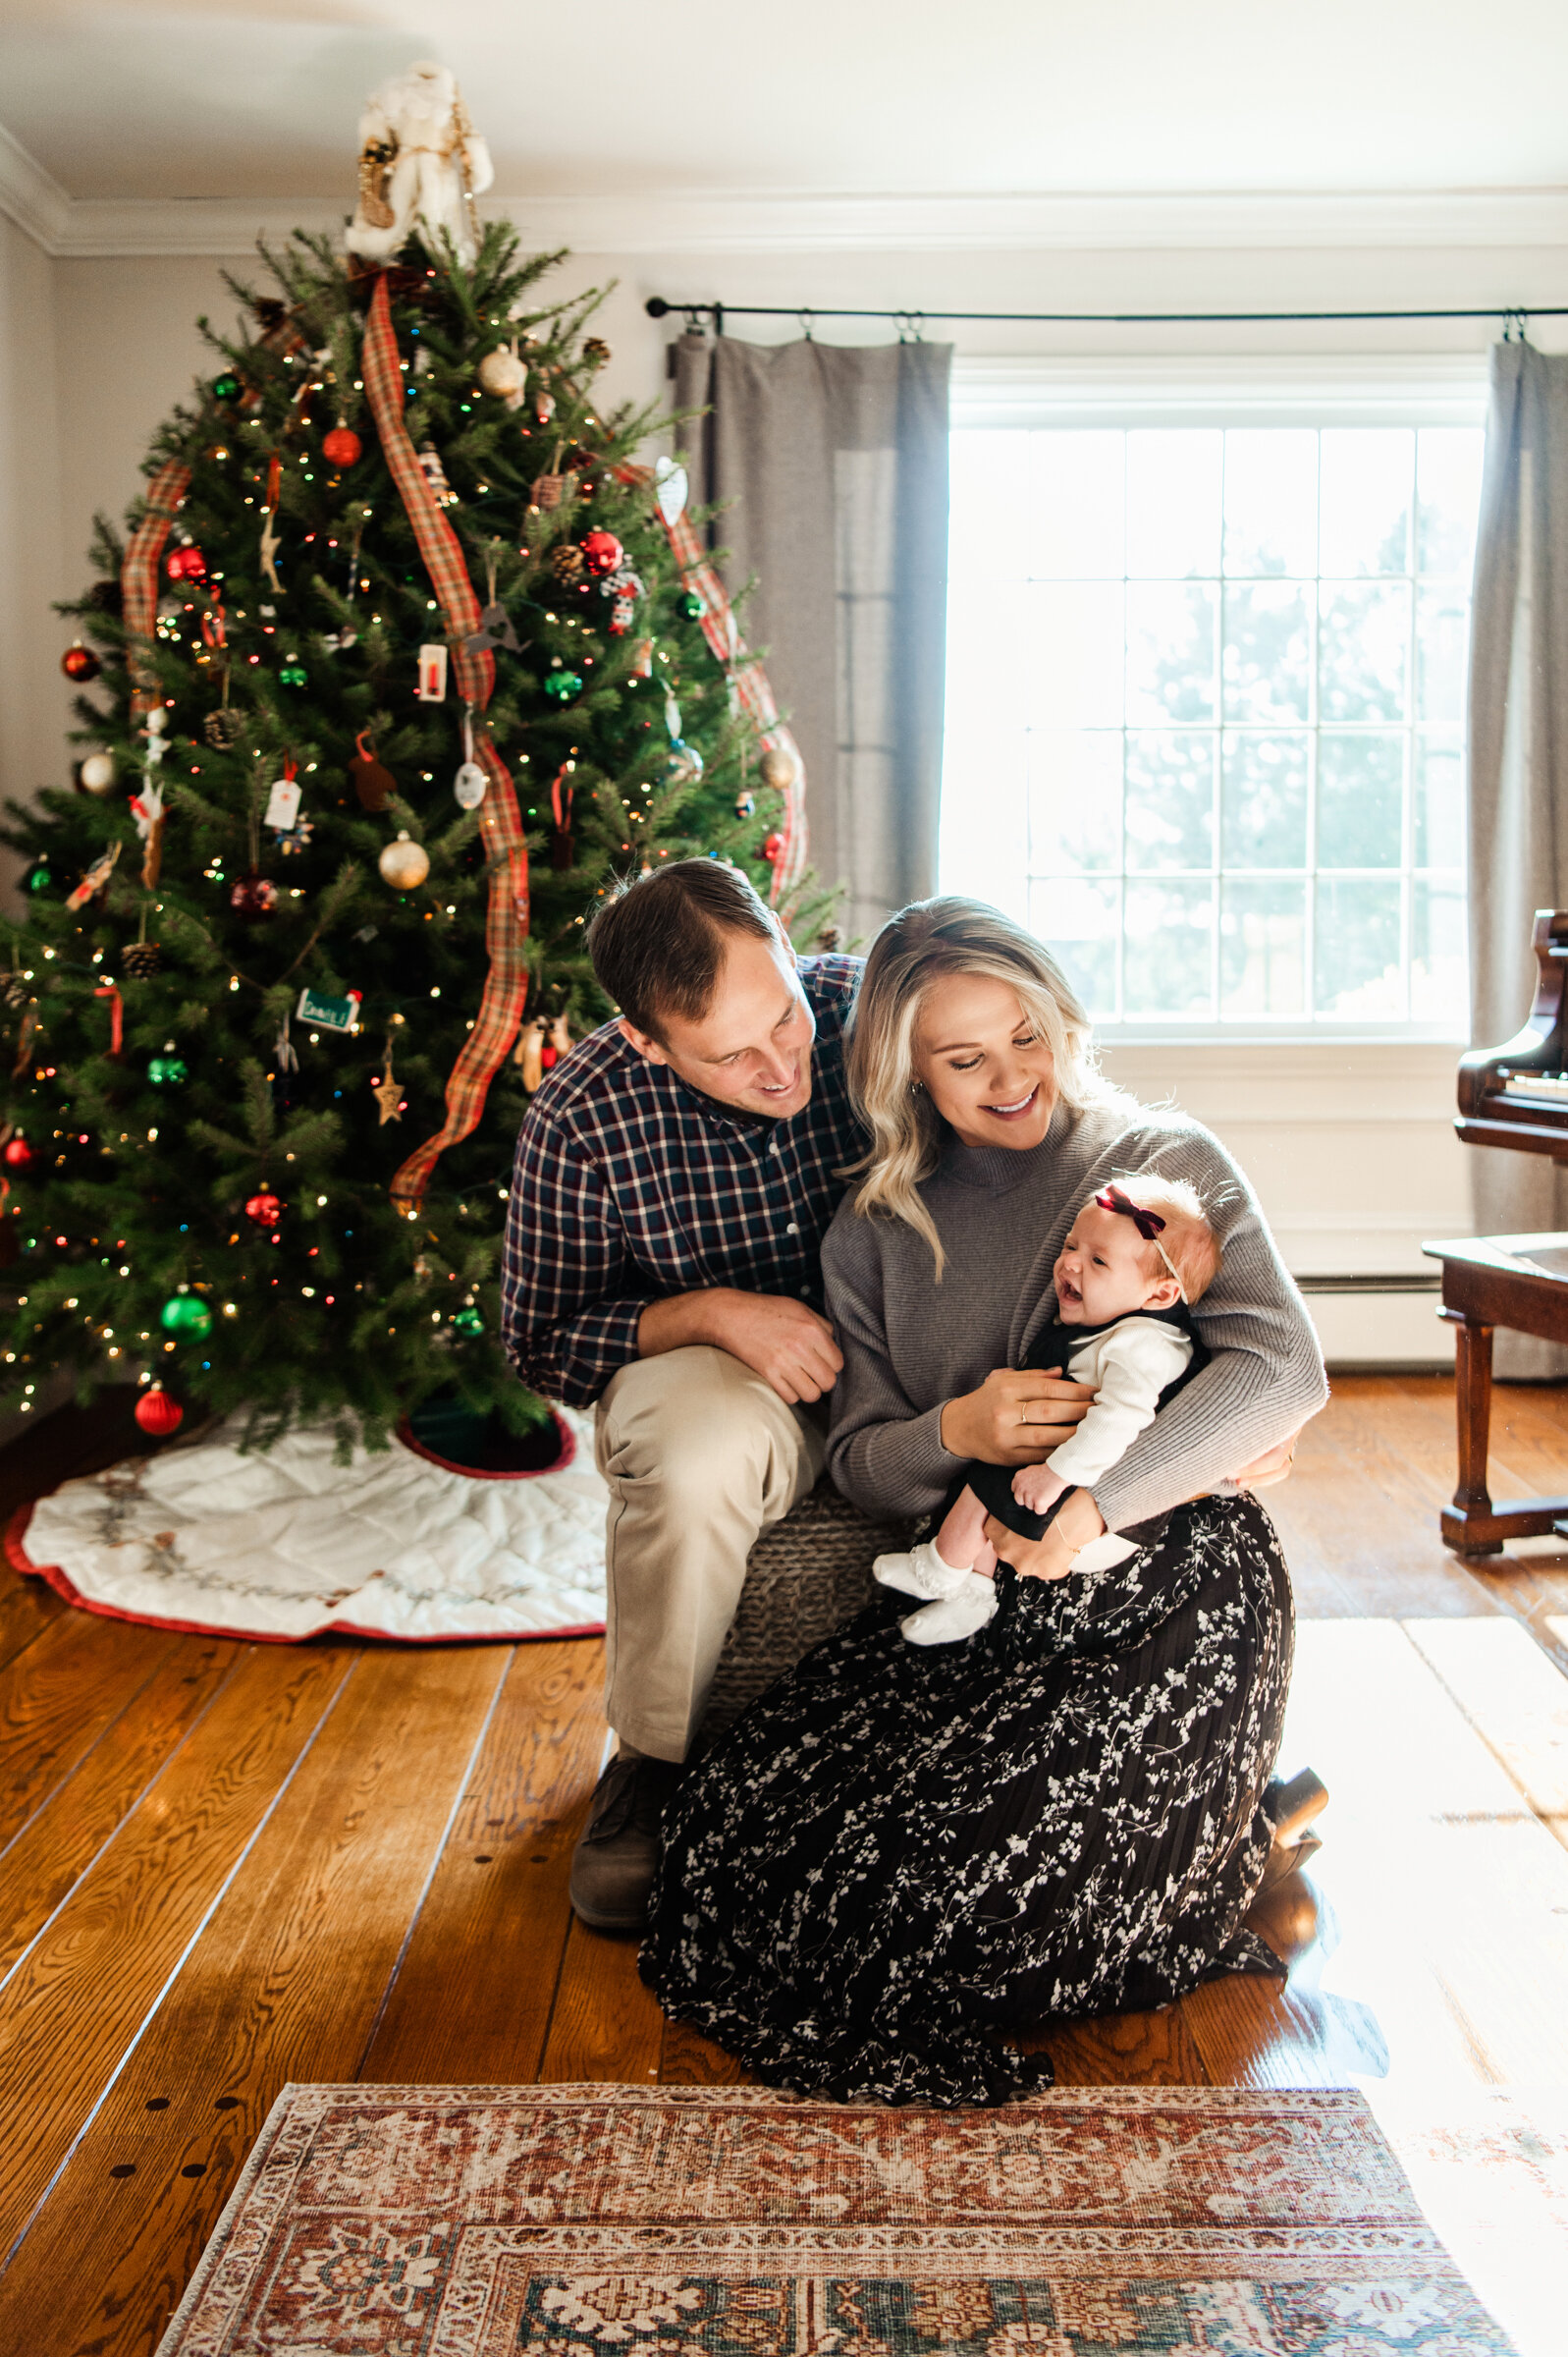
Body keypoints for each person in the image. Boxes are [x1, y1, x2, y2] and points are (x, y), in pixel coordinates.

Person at [641, 896, 1328, 2107]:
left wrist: (1100, 1506)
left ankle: (1215, 1841)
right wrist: (954, 1430)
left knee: (950, 1907)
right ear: (904, 1072)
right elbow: (859, 1463)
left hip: (1163, 1590)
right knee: (736, 1839)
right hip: (983, 1597)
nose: (1013, 1076)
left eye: (1027, 1034)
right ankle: (1232, 1834)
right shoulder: (874, 1232)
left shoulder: (1157, 1162)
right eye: (964, 1059)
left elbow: (1279, 1367)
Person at [501, 862, 1102, 1932]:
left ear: (787, 947)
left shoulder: (864, 1009)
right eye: (733, 1054)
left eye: (780, 1016)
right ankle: (654, 1761)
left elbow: (1040, 1097)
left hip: (935, 1345)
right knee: (691, 1455)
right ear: (648, 1042)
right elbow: (539, 1342)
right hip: (741, 1391)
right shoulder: (583, 1116)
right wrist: (709, 1314)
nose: (783, 1064)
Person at [876, 1174, 1219, 1645]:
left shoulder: (1144, 1346)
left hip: (1096, 1506)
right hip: (1073, 1474)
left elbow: (1120, 1421)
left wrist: (1056, 1474)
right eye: (1071, 1246)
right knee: (988, 1467)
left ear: (1159, 1296)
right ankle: (971, 1597)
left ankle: (940, 1568)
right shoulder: (1119, 1321)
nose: (1070, 1264)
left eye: (1097, 1261)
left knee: (986, 1483)